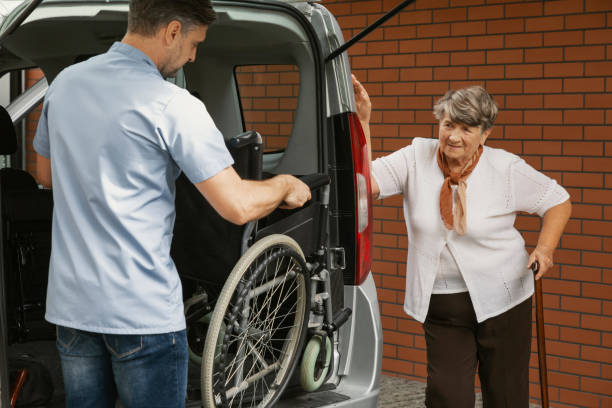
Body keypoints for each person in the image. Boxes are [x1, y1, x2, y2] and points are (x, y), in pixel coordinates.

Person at [33, 1, 310, 407]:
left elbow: (45, 175)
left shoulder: (64, 85)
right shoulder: (173, 105)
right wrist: (285, 184)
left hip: (71, 309)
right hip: (140, 313)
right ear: (173, 31)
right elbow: (236, 205)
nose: (194, 54)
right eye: (195, 42)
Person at [352, 75, 572, 407]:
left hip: (505, 298)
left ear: (485, 134)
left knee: (506, 396)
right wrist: (362, 121)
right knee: (446, 397)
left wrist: (545, 248)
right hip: (443, 306)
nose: (453, 137)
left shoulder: (505, 168)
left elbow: (557, 200)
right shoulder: (415, 157)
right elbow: (363, 183)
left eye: (467, 129)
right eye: (448, 124)